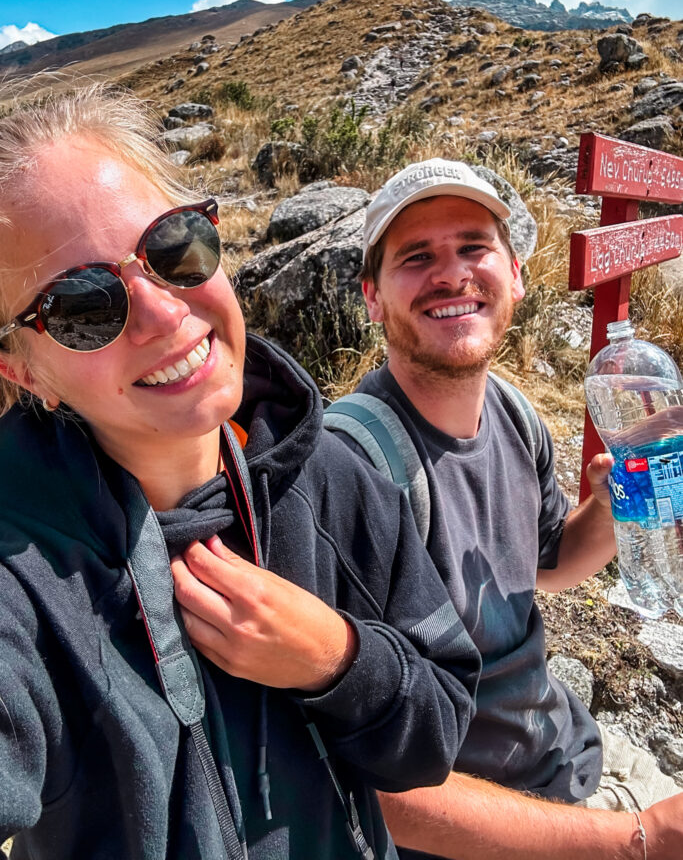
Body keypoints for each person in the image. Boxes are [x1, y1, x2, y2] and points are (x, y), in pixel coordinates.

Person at [0, 95, 480, 860]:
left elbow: (435, 737)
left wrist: (336, 659)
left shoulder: (331, 478)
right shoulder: (22, 575)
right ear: (24, 369)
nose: (162, 314)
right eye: (85, 306)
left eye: (172, 248)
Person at [323, 158, 683, 860]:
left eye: (473, 247)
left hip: (569, 763)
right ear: (371, 297)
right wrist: (635, 840)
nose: (451, 274)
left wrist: (611, 511)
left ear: (514, 275)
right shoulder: (352, 468)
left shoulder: (512, 411)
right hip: (487, 833)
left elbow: (546, 564)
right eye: (416, 257)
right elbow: (382, 793)